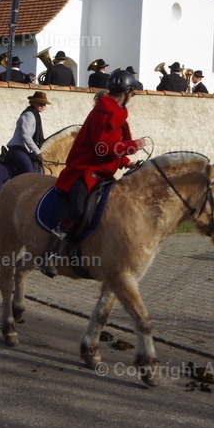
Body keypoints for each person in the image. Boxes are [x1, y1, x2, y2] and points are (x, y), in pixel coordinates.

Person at [44, 69, 148, 276]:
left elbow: (113, 145)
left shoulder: (116, 111)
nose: (133, 97)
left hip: (102, 172)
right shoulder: (105, 112)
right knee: (78, 211)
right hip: (85, 170)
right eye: (132, 93)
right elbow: (103, 147)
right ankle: (50, 254)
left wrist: (126, 162)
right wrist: (131, 146)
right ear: (126, 92)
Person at [6, 91, 51, 177]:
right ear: (34, 103)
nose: (43, 106)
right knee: (30, 174)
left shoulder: (35, 115)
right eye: (40, 103)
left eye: (44, 104)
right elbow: (26, 135)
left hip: (24, 150)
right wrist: (37, 152)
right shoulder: (28, 115)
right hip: (17, 148)